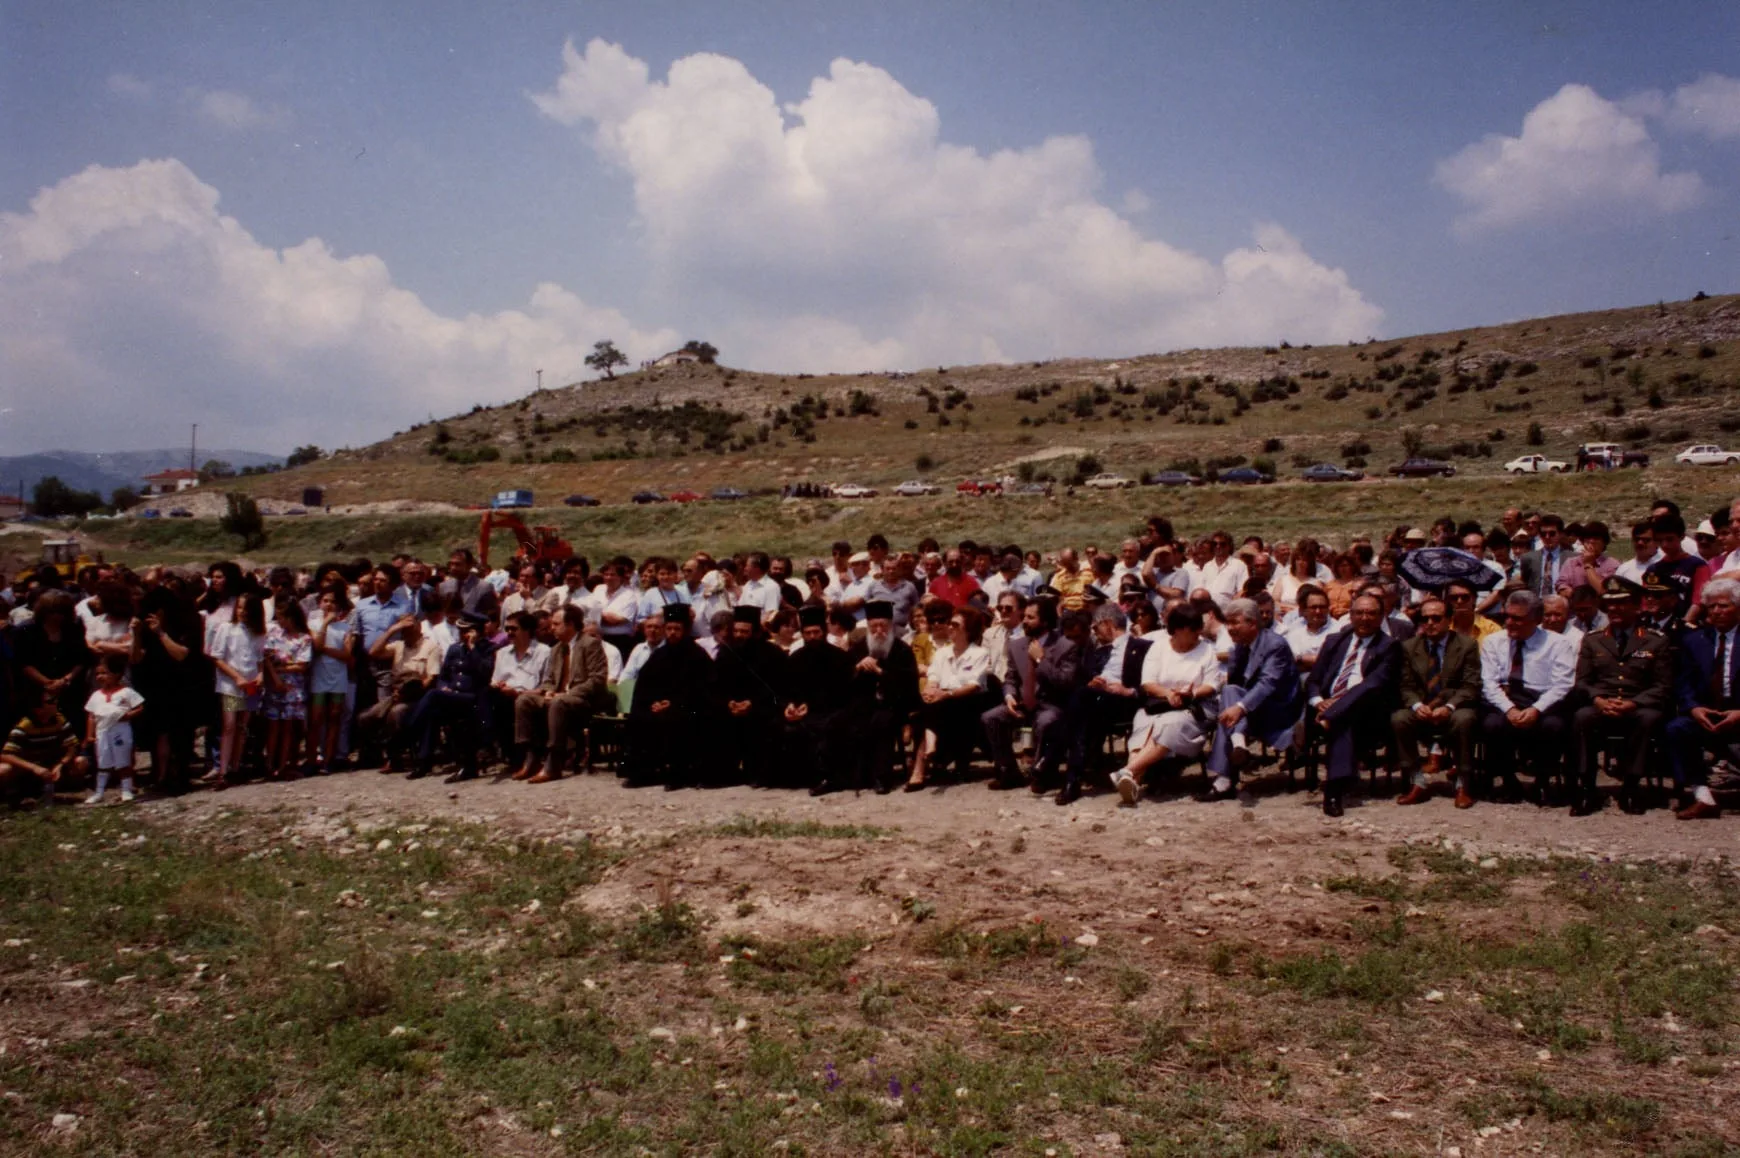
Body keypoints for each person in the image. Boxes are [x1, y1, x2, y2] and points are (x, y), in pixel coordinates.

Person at [1569, 576, 1672, 816]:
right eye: (1610, 604)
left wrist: (1633, 703)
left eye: (1621, 603)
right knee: (1581, 717)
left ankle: (1631, 786)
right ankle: (1587, 788)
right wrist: (1598, 700)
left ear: (1637, 606)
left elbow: (1663, 686)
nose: (1614, 609)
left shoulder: (1655, 641)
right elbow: (1582, 682)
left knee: (1648, 719)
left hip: (1638, 705)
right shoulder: (1593, 639)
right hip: (1602, 704)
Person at [1111, 604, 1223, 807]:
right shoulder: (1159, 647)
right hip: (1160, 702)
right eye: (1193, 629)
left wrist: (1191, 693)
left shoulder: (1207, 650)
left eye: (1199, 628)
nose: (1198, 633)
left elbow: (1212, 684)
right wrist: (1168, 694)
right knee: (1144, 722)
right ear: (1178, 629)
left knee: (1170, 723)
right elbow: (1148, 682)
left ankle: (1128, 771)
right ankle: (1131, 779)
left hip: (1194, 706)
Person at [1302, 593, 1402, 816]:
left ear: (1381, 617)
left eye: (1371, 613)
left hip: (1369, 712)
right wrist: (1319, 703)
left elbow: (1373, 684)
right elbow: (1313, 681)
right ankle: (1336, 784)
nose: (1364, 618)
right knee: (1342, 721)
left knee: (1346, 714)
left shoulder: (1389, 646)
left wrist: (1334, 710)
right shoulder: (1335, 641)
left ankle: (1333, 790)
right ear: (1351, 615)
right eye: (1359, 613)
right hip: (1327, 708)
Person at [1478, 590, 1577, 804]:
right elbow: (1489, 683)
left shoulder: (1557, 643)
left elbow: (1562, 684)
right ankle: (1508, 780)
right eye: (1507, 616)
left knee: (1553, 726)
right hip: (1507, 698)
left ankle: (1542, 780)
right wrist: (1509, 709)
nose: (1509, 623)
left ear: (1536, 619)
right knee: (1492, 724)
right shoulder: (1493, 642)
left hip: (1543, 700)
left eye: (1518, 619)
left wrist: (1536, 709)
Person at [1200, 598, 1303, 803]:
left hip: (1279, 709)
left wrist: (1240, 707)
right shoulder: (1241, 645)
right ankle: (1238, 744)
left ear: (1252, 623)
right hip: (1252, 709)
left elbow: (1267, 684)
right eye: (1227, 623)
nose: (1229, 628)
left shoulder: (1275, 645)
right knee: (1229, 692)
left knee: (1231, 704)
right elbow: (1236, 682)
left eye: (1235, 623)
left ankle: (1225, 778)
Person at [1391, 597, 1482, 807]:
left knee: (1464, 719)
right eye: (1425, 619)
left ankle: (1463, 784)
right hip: (1423, 707)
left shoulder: (1466, 645)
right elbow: (1405, 685)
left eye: (1436, 618)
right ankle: (1417, 782)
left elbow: (1471, 685)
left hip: (1454, 707)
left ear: (1449, 619)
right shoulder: (1409, 647)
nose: (1430, 623)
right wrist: (1416, 705)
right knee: (1399, 718)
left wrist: (1449, 707)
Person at [1664, 578, 1740, 820]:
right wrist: (1694, 708)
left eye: (1724, 605)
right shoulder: (1694, 640)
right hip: (1707, 713)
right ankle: (1703, 797)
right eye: (1711, 606)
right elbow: (1683, 683)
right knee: (1677, 729)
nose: (1716, 611)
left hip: (1738, 713)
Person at [1063, 603, 1152, 805]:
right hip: (1098, 700)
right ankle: (1072, 778)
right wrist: (1093, 683)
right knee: (1081, 701)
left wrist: (1127, 690)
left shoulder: (1143, 647)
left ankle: (1065, 773)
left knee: (1079, 705)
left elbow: (1151, 681)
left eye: (1095, 627)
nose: (1094, 632)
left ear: (1108, 624)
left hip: (1125, 701)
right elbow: (1086, 677)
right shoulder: (1099, 651)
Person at [512, 604, 612, 782]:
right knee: (524, 700)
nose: (552, 628)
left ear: (571, 624)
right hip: (559, 698)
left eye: (556, 624)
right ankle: (531, 757)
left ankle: (554, 762)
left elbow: (597, 679)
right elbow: (550, 679)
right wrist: (549, 691)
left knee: (559, 703)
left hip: (585, 701)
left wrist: (567, 694)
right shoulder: (557, 648)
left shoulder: (590, 644)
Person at [624, 605, 714, 789]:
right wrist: (652, 703)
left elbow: (702, 689)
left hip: (688, 708)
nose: (672, 633)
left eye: (677, 629)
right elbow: (644, 686)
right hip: (659, 706)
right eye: (669, 628)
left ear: (685, 630)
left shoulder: (697, 655)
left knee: (677, 719)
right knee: (638, 718)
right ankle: (643, 773)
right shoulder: (659, 655)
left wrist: (674, 703)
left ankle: (678, 774)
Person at [904, 606, 991, 791]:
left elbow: (973, 685)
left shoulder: (979, 654)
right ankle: (928, 751)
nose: (949, 627)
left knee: (932, 709)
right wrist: (930, 689)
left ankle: (920, 768)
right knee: (928, 704)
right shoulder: (943, 652)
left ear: (968, 630)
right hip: (943, 702)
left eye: (955, 625)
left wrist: (946, 694)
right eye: (950, 623)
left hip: (969, 701)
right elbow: (933, 676)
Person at [839, 600, 921, 793]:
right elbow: (843, 680)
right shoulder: (858, 648)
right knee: (841, 721)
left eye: (883, 626)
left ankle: (882, 778)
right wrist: (858, 668)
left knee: (882, 722)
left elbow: (909, 685)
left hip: (895, 704)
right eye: (873, 626)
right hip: (864, 703)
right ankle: (853, 775)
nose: (878, 631)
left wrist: (880, 672)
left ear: (891, 626)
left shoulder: (902, 649)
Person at [405, 612, 496, 783]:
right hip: (452, 695)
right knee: (433, 712)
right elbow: (444, 675)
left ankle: (410, 728)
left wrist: (473, 648)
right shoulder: (455, 649)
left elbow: (485, 673)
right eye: (460, 631)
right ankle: (424, 762)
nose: (462, 635)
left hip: (474, 698)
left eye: (466, 631)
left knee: (432, 696)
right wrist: (443, 686)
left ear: (476, 632)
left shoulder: (488, 649)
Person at [712, 606, 788, 786]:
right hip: (731, 708)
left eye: (744, 632)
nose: (739, 635)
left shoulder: (772, 654)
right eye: (736, 631)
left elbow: (778, 687)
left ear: (755, 633)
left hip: (762, 706)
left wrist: (752, 703)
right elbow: (716, 686)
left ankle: (760, 774)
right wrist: (729, 702)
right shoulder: (726, 652)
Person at [782, 604, 854, 794]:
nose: (812, 637)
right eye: (808, 633)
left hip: (835, 710)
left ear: (824, 632)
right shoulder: (795, 658)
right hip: (804, 712)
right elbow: (787, 690)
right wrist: (790, 706)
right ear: (803, 635)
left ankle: (829, 778)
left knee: (827, 727)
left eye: (816, 632)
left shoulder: (840, 658)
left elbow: (842, 693)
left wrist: (809, 706)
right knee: (786, 727)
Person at [359, 613, 442, 773]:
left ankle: (394, 758)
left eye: (410, 627)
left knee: (396, 713)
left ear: (419, 627)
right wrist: (392, 630)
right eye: (403, 628)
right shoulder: (398, 646)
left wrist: (410, 692)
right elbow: (373, 652)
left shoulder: (430, 646)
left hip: (418, 696)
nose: (406, 631)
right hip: (396, 693)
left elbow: (431, 678)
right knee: (365, 717)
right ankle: (374, 755)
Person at [208, 591, 267, 790]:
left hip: (250, 685)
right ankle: (223, 770)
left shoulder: (257, 633)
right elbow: (217, 658)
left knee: (242, 726)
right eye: (240, 607)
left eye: (246, 608)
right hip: (232, 685)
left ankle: (235, 767)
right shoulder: (227, 628)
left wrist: (260, 675)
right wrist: (236, 677)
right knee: (230, 725)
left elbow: (259, 659)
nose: (242, 612)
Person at [1, 686, 85, 806]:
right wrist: (34, 768)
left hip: (51, 764)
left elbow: (72, 746)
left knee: (81, 761)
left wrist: (61, 764)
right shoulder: (24, 726)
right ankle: (11, 794)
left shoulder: (59, 719)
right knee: (3, 769)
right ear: (38, 709)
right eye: (50, 701)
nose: (55, 703)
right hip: (29, 766)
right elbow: (6, 754)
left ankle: (62, 788)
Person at [490, 611, 551, 768]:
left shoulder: (544, 652)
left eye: (514, 629)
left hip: (531, 697)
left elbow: (546, 687)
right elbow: (495, 680)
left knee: (511, 703)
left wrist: (518, 693)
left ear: (527, 630)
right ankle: (505, 752)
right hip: (504, 695)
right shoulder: (502, 653)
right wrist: (499, 685)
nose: (509, 633)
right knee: (490, 698)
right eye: (507, 629)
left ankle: (519, 756)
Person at [261, 598, 313, 781]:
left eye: (283, 617)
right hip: (274, 686)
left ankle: (283, 765)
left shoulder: (304, 638)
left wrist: (282, 667)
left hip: (293, 688)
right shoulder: (273, 632)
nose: (280, 621)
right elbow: (267, 657)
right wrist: (277, 674)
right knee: (273, 727)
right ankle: (269, 765)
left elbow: (302, 665)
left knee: (288, 728)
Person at [83, 655, 144, 803]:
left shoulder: (126, 692)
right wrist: (89, 735)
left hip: (120, 730)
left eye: (104, 673)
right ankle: (99, 792)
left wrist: (128, 715)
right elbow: (91, 716)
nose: (100, 677)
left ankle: (126, 790)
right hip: (102, 731)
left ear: (117, 674)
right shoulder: (96, 695)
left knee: (123, 761)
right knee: (103, 762)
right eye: (98, 674)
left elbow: (139, 707)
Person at [307, 584, 354, 775]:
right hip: (319, 677)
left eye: (332, 601)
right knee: (316, 719)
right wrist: (325, 623)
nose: (329, 604)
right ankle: (311, 759)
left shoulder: (345, 627)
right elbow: (317, 646)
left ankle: (328, 759)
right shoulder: (313, 624)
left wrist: (327, 650)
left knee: (335, 717)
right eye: (325, 601)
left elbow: (347, 654)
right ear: (320, 603)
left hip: (338, 679)